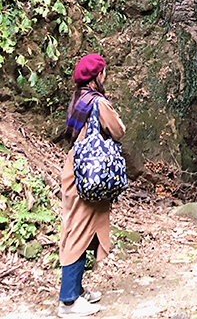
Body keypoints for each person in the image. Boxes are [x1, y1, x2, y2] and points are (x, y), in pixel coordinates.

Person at [58, 54, 125, 317]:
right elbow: (118, 130)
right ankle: (68, 301)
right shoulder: (98, 103)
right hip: (89, 173)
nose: (105, 76)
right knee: (78, 231)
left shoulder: (78, 99)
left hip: (74, 166)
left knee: (81, 229)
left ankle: (76, 289)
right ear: (97, 76)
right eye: (103, 72)